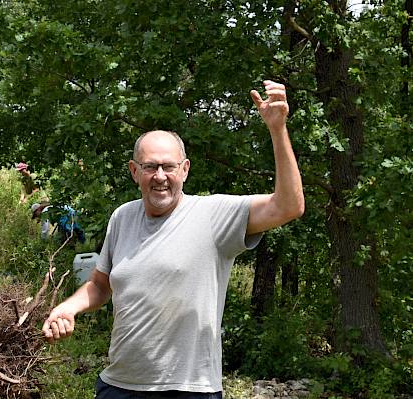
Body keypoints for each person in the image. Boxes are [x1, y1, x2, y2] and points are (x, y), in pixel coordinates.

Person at [42, 80, 304, 398]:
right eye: (150, 167)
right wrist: (67, 308)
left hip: (188, 389)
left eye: (169, 166)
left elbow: (288, 206)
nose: (160, 176)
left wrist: (277, 129)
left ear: (185, 170)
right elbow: (100, 285)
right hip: (119, 386)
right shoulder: (122, 217)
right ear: (134, 171)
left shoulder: (213, 215)